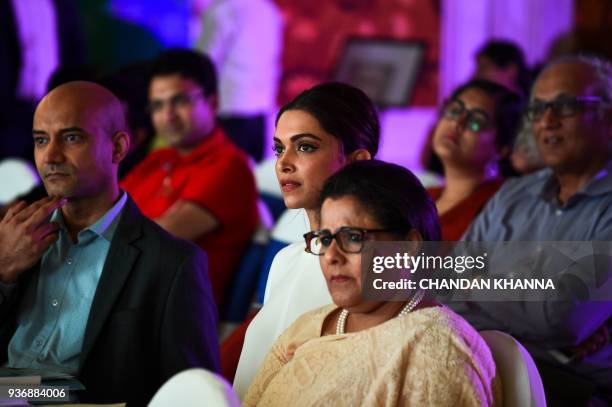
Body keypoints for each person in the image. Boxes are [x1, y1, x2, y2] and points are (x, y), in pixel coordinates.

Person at [0, 81, 220, 405]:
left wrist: (18, 392)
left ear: (117, 148)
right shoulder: (17, 238)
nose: (50, 156)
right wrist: (2, 271)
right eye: (40, 140)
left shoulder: (171, 263)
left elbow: (190, 392)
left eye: (72, 137)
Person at [243, 160, 499, 406]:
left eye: (353, 237)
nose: (331, 256)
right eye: (324, 238)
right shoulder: (307, 327)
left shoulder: (438, 351)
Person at [457, 55, 612, 405]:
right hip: (489, 370)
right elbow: (450, 289)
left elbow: (563, 319)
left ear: (609, 117)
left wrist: (483, 284)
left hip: (578, 391)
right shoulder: (512, 195)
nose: (547, 121)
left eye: (565, 106)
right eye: (538, 109)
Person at [233, 82, 379, 396]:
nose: (283, 163)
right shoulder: (285, 259)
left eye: (305, 147)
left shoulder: (374, 266)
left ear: (357, 161)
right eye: (279, 148)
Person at [121, 49, 259, 305]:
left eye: (180, 101)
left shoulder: (229, 166)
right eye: (158, 105)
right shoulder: (159, 160)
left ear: (213, 102)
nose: (168, 115)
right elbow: (107, 214)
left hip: (170, 315)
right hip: (128, 295)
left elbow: (152, 240)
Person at [429, 79, 523, 240]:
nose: (457, 123)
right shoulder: (422, 197)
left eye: (476, 121)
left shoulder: (504, 206)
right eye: (454, 110)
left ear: (502, 148)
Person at [196, 0, 283, 162]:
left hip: (228, 110)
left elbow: (202, 65)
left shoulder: (224, 9)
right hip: (261, 114)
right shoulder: (269, 10)